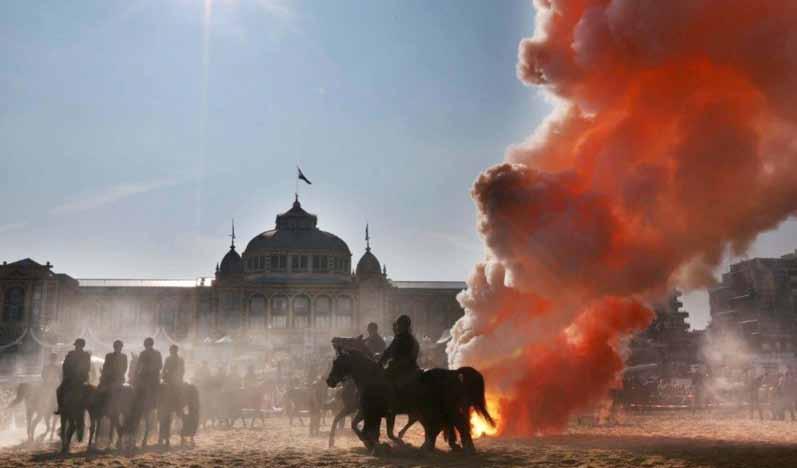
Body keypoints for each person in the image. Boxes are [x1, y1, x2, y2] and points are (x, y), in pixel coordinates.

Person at [378, 315, 420, 389]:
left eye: (399, 325)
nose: (397, 327)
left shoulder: (402, 338)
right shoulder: (407, 337)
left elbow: (389, 352)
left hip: (401, 369)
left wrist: (380, 363)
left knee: (383, 381)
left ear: (403, 326)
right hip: (409, 368)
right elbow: (388, 352)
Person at [55, 338, 91, 415]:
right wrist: (67, 375)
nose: (77, 347)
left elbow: (87, 367)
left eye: (79, 345)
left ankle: (90, 409)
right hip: (70, 378)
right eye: (76, 345)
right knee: (59, 390)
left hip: (82, 378)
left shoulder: (86, 355)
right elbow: (65, 365)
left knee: (90, 392)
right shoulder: (70, 354)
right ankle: (60, 407)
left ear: (82, 346)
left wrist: (81, 374)